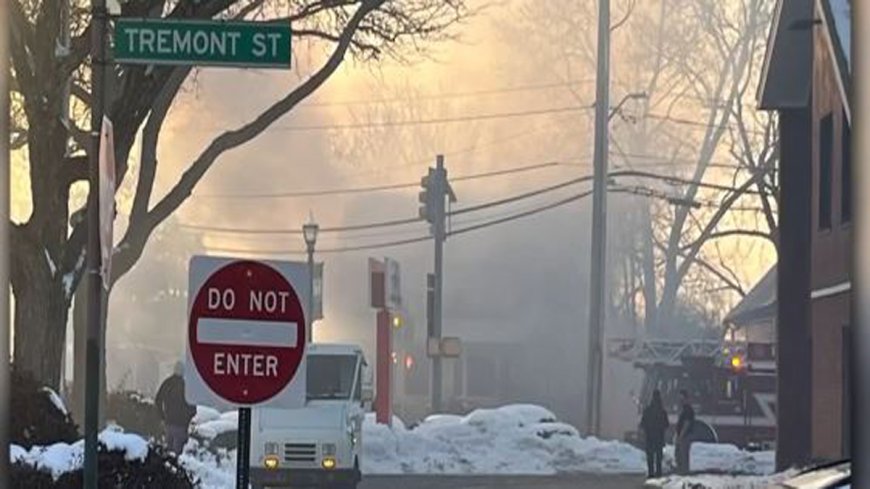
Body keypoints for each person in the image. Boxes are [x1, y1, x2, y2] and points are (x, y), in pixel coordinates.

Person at [155, 362, 196, 454]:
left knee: (168, 453)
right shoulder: (186, 385)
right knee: (178, 454)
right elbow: (192, 405)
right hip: (181, 425)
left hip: (169, 423)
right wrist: (189, 420)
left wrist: (162, 416)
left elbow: (158, 399)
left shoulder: (167, 383)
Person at [640, 390, 669, 478]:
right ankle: (659, 472)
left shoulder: (647, 410)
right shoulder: (663, 411)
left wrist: (647, 429)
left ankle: (651, 472)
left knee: (650, 457)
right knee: (659, 457)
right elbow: (666, 424)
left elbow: (642, 423)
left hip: (649, 437)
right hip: (659, 437)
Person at [674, 389, 695, 475]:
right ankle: (681, 470)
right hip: (681, 435)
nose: (679, 400)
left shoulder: (688, 409)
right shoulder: (683, 409)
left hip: (685, 436)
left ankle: (684, 472)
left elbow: (687, 423)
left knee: (683, 455)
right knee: (678, 454)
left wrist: (681, 436)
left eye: (681, 398)